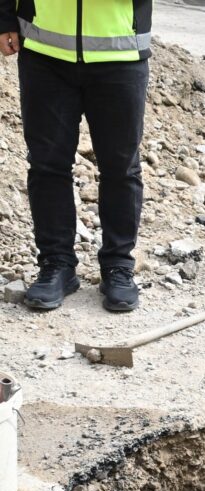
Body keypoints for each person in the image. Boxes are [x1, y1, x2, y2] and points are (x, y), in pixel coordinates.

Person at [0, 0, 151, 311]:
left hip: (119, 51)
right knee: (47, 164)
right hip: (45, 52)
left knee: (120, 165)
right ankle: (57, 265)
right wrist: (4, 18)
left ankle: (118, 267)